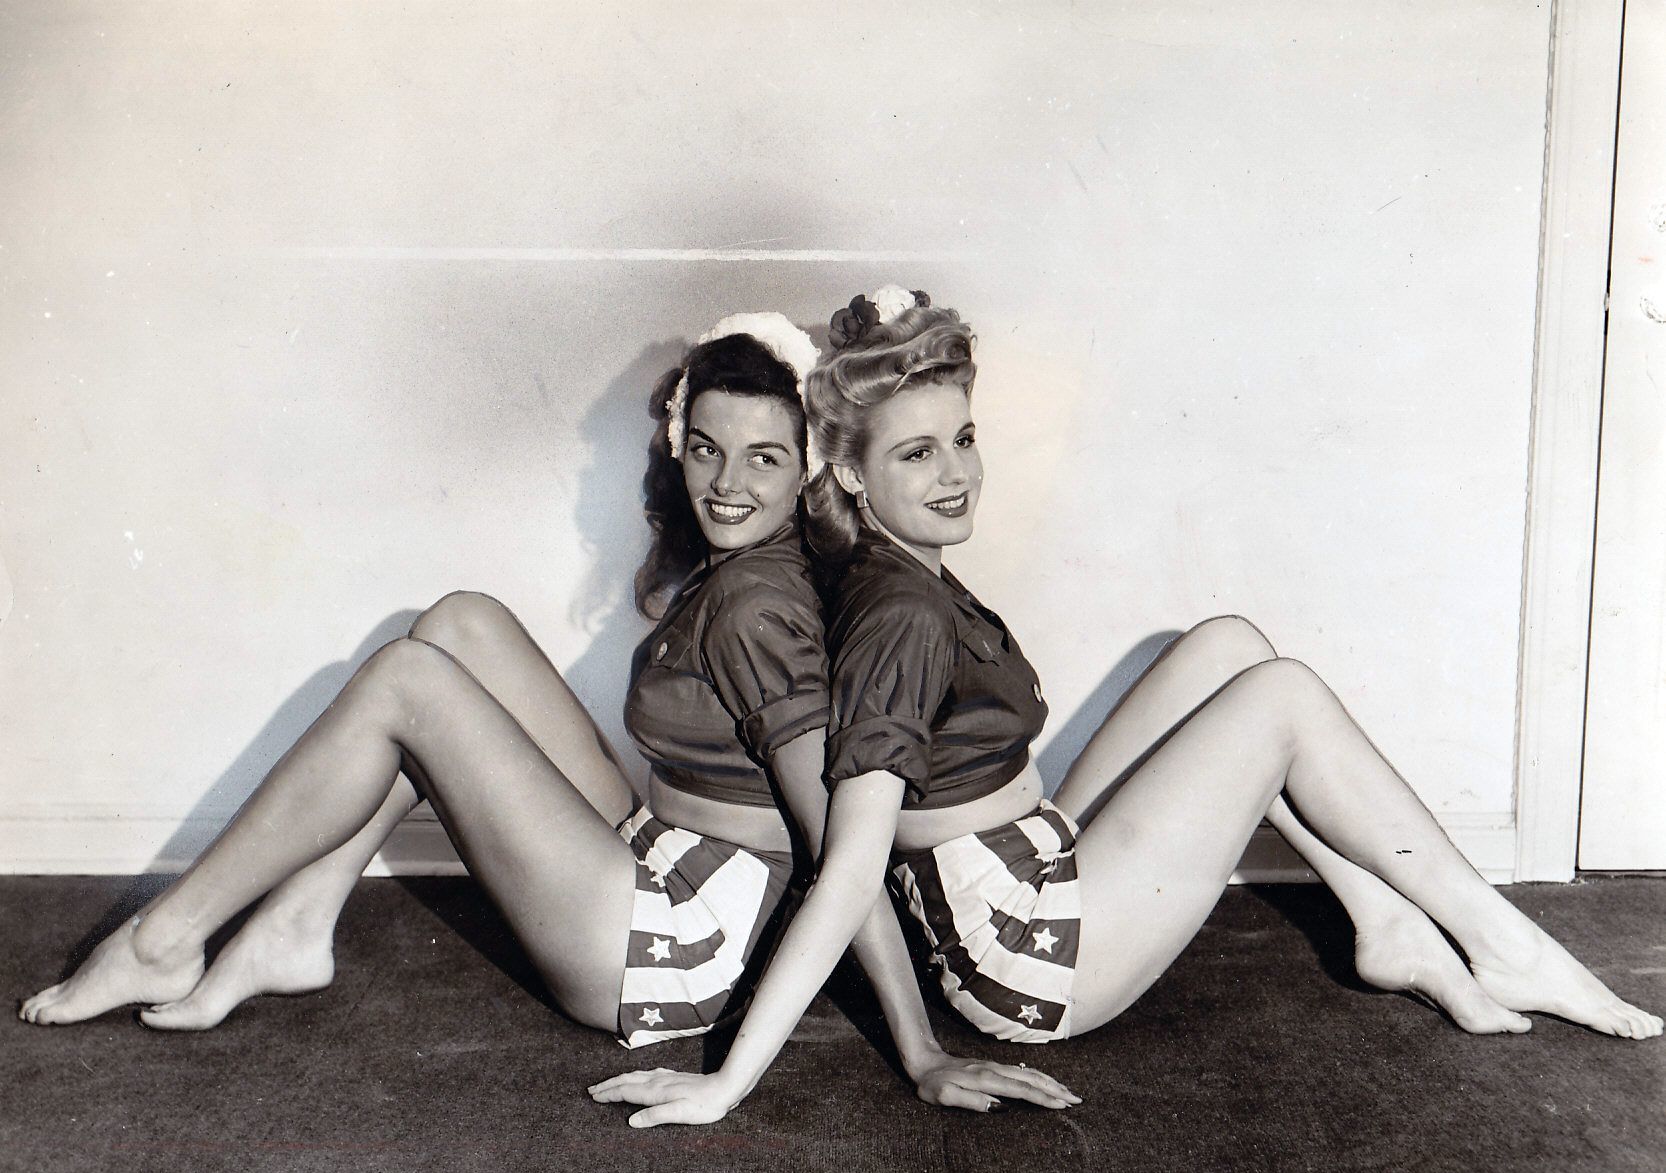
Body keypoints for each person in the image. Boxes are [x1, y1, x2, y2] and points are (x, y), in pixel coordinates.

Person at [589, 287, 1661, 1128]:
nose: (957, 472)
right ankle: (1504, 943)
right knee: (1282, 699)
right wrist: (733, 1083)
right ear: (856, 478)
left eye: (963, 437)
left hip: (1032, 846)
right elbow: (849, 862)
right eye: (916, 453)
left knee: (1227, 648)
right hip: (1029, 949)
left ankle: (1385, 923)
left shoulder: (903, 563)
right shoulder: (898, 616)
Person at [20, 312, 1071, 1111]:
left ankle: (167, 936)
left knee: (407, 682)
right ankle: (299, 922)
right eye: (707, 448)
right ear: (677, 444)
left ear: (809, 473)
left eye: (765, 458)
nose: (728, 483)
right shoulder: (743, 569)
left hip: (670, 945)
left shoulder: (758, 605)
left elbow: (841, 844)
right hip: (660, 853)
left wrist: (918, 1051)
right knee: (460, 623)